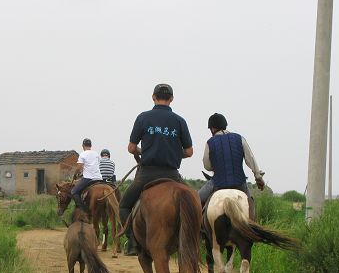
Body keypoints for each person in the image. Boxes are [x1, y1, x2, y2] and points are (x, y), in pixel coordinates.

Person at [119, 83, 194, 255]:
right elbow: (189, 152)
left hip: (147, 173)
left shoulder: (143, 118)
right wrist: (173, 153)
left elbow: (131, 147)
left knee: (123, 206)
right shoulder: (180, 121)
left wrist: (143, 151)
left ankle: (133, 242)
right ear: (172, 99)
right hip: (172, 175)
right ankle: (194, 240)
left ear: (153, 97)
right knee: (194, 204)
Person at [197, 112, 265, 218]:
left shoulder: (210, 142)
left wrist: (215, 166)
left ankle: (199, 229)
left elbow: (207, 166)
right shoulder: (239, 138)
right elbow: (250, 159)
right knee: (250, 203)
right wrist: (258, 177)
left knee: (196, 199)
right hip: (239, 183)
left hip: (217, 183)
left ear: (212, 128)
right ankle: (253, 226)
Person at [71, 138, 104, 210]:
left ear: (83, 146)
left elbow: (79, 168)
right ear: (91, 145)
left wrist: (75, 175)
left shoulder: (82, 154)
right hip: (99, 178)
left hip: (88, 178)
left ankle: (82, 209)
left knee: (73, 191)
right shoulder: (96, 154)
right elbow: (96, 165)